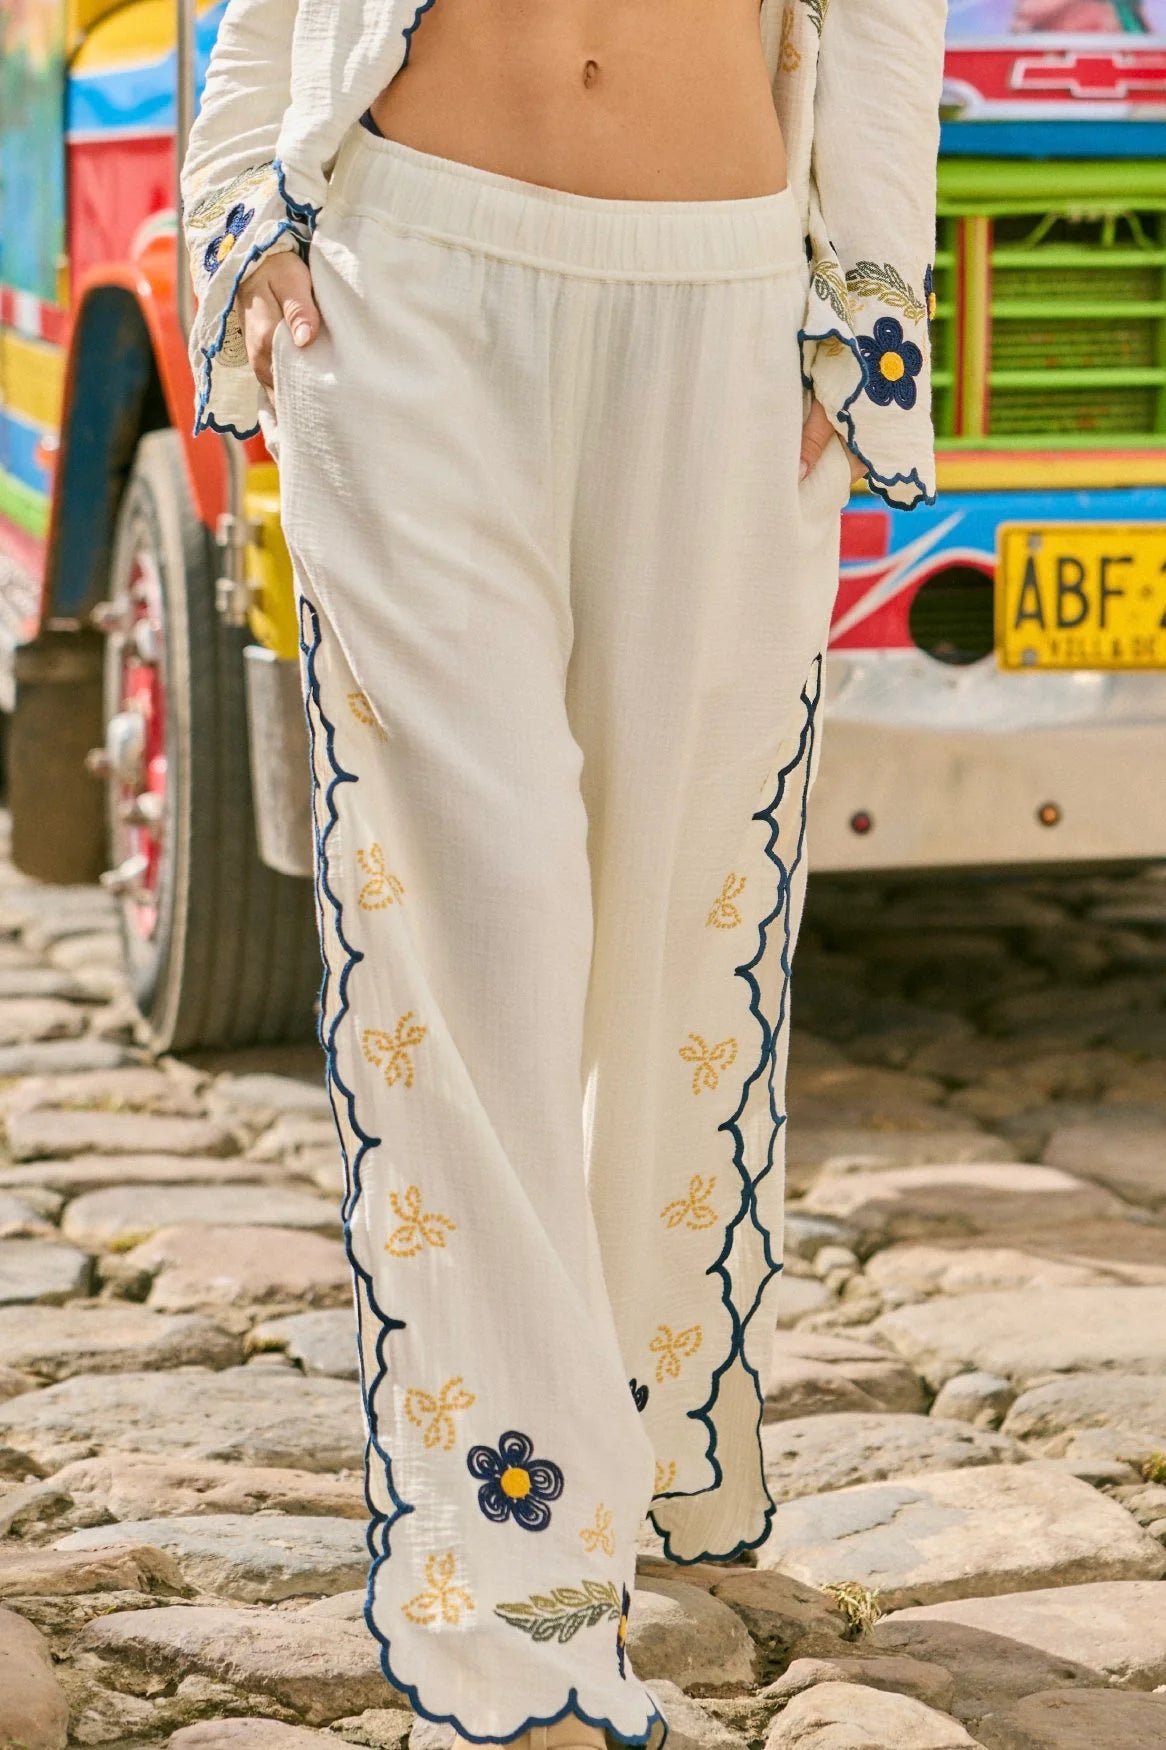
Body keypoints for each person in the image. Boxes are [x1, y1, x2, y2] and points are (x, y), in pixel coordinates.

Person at [181, 5, 946, 1748]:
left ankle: (626, 1419)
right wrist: (245, 215)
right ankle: (521, 1573)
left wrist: (862, 303)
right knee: (477, 925)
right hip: (410, 282)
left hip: (722, 309)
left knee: (674, 928)